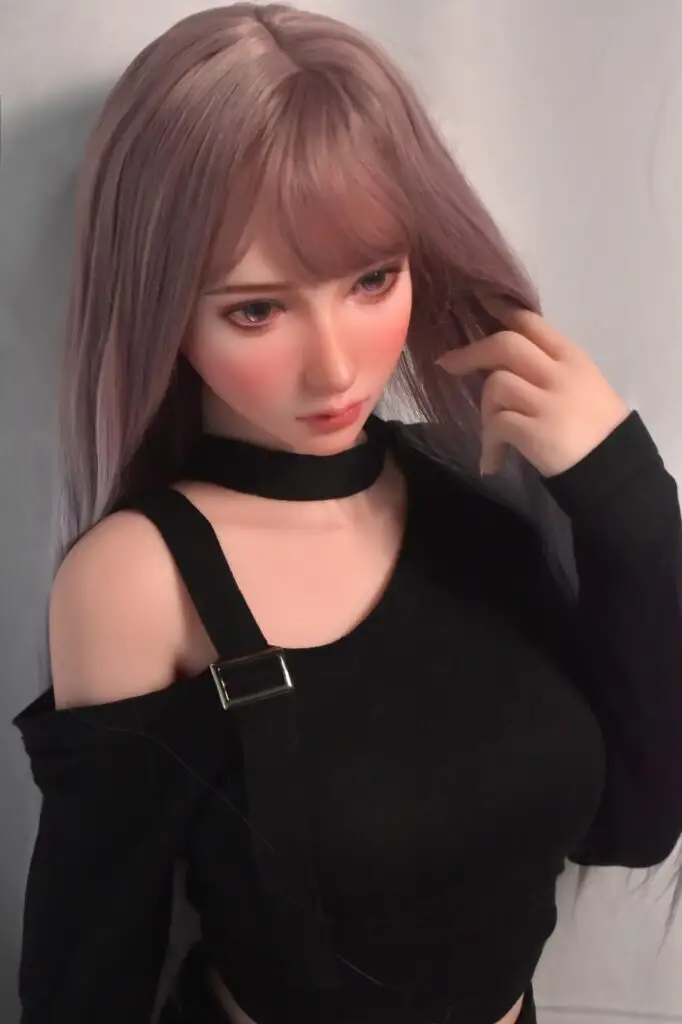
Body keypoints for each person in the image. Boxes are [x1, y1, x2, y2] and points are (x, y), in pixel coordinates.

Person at [12, 4, 682, 1024]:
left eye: (372, 280)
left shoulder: (479, 500)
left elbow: (633, 823)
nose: (334, 368)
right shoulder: (140, 581)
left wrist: (630, 504)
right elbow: (86, 979)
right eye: (255, 309)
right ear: (160, 311)